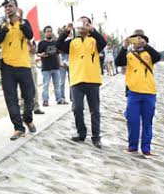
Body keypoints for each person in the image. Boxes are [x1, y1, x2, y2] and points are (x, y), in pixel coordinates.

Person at [56, 17, 107, 148]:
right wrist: (66, 31)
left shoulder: (94, 40)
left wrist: (93, 30)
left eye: (86, 23)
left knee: (94, 110)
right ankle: (81, 133)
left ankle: (96, 137)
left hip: (93, 80)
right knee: (77, 108)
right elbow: (58, 45)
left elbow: (103, 43)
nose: (82, 25)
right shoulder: (72, 42)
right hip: (76, 80)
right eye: (80, 23)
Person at [0, 0, 37, 141]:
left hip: (24, 65)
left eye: (11, 6)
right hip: (7, 67)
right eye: (6, 7)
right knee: (11, 99)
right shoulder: (1, 24)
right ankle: (18, 128)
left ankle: (28, 118)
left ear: (17, 8)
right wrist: (5, 26)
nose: (8, 9)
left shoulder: (24, 23)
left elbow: (30, 35)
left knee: (29, 96)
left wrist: (21, 20)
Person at [115, 29, 161, 156]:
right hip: (133, 92)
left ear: (145, 40)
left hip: (149, 92)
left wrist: (145, 45)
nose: (138, 40)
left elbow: (158, 57)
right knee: (132, 120)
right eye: (135, 38)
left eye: (141, 38)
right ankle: (132, 146)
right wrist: (124, 46)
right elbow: (118, 62)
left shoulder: (149, 54)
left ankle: (146, 149)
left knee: (147, 122)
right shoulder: (129, 54)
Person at [37, 26, 66, 106]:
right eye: (48, 31)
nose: (49, 33)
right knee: (45, 85)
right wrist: (41, 54)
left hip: (56, 67)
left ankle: (59, 99)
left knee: (57, 85)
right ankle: (45, 101)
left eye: (50, 31)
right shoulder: (41, 43)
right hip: (46, 68)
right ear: (45, 33)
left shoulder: (55, 43)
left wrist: (60, 63)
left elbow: (57, 54)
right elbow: (38, 53)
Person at [27, 40, 45, 115]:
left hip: (31, 66)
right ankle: (22, 108)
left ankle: (36, 107)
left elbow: (34, 52)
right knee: (21, 89)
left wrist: (28, 42)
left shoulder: (31, 41)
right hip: (20, 66)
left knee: (34, 88)